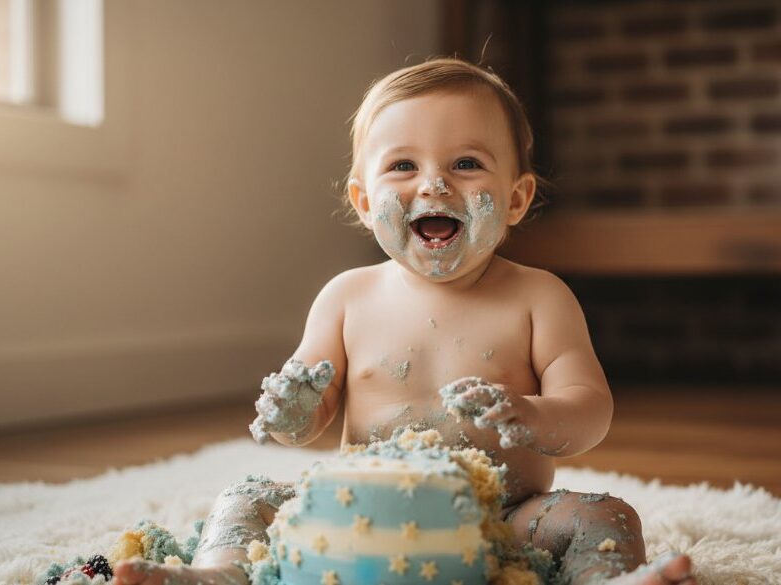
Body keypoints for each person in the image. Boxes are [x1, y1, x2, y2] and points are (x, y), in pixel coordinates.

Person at [113, 57, 697, 585]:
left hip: (500, 521)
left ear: (516, 199)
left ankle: (605, 580)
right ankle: (218, 576)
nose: (434, 183)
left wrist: (534, 416)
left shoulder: (540, 298)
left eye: (466, 163)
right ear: (365, 203)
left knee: (604, 515)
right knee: (246, 498)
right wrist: (293, 412)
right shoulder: (346, 297)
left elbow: (590, 410)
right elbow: (308, 420)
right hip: (355, 510)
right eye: (402, 165)